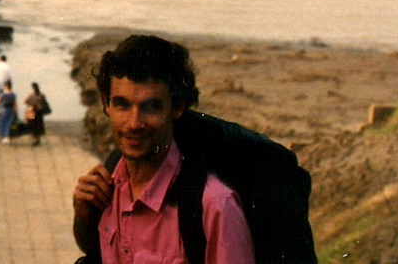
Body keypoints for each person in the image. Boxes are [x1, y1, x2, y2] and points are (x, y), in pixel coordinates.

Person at [72, 34, 255, 264]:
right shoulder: (106, 187)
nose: (134, 123)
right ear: (106, 104)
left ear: (177, 107)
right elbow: (96, 250)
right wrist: (83, 217)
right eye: (122, 105)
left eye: (150, 107)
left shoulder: (214, 206)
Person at [0, 80, 17, 144]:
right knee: (9, 124)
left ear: (6, 86)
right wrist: (15, 111)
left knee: (4, 123)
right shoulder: (13, 94)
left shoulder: (3, 94)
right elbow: (15, 104)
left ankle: (5, 137)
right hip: (11, 110)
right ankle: (8, 137)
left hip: (5, 110)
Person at [23, 82, 50, 147]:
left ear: (33, 88)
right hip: (39, 113)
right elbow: (44, 102)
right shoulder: (41, 95)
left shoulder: (32, 95)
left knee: (33, 125)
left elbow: (26, 102)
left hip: (33, 112)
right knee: (38, 126)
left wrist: (31, 105)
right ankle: (37, 139)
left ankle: (35, 139)